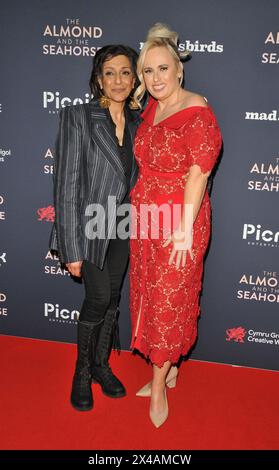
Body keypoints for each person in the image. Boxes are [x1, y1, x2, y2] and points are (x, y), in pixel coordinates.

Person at [129, 23, 222, 427]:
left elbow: (199, 175)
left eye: (162, 69)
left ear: (179, 69)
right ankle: (172, 367)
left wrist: (183, 229)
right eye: (147, 72)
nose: (155, 79)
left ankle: (159, 386)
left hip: (179, 221)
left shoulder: (197, 111)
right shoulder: (154, 106)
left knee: (169, 302)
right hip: (148, 218)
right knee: (152, 295)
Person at [49, 44, 140, 411]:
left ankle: (102, 366)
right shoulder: (78, 117)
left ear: (134, 79)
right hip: (89, 227)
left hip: (123, 224)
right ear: (98, 79)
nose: (118, 80)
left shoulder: (139, 121)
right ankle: (82, 372)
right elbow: (66, 185)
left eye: (125, 72)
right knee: (99, 298)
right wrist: (70, 248)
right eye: (109, 72)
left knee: (114, 297)